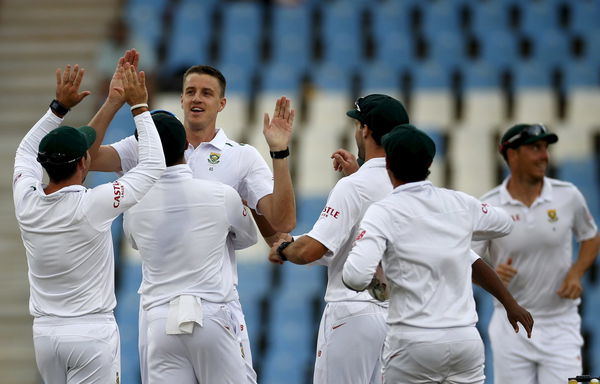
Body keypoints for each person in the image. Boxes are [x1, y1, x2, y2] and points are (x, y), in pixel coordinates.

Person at [89, 62, 296, 383]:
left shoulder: (241, 156)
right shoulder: (151, 144)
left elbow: (283, 220)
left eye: (207, 93)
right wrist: (114, 101)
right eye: (190, 92)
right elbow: (87, 158)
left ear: (222, 103)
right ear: (181, 100)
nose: (197, 98)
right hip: (169, 305)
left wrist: (279, 153)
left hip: (207, 300)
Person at [342, 124, 534, 384]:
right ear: (430, 163)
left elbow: (355, 277)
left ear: (388, 165)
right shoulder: (460, 203)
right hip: (464, 341)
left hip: (413, 342)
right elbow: (504, 223)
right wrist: (456, 231)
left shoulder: (383, 212)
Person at [12, 61, 165, 383]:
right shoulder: (92, 203)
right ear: (84, 162)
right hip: (90, 333)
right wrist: (139, 105)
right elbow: (153, 166)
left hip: (45, 335)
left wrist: (59, 109)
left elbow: (24, 152)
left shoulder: (26, 200)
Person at [269, 94, 409, 384]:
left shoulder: (353, 187)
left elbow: (310, 251)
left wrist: (284, 248)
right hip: (397, 318)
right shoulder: (407, 186)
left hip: (352, 312)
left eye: (358, 125)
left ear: (366, 130)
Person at [122, 110, 257, 383]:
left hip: (159, 321)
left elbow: (136, 243)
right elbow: (248, 238)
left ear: (142, 151)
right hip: (209, 314)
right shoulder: (221, 195)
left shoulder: (133, 205)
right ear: (185, 144)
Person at [471, 123, 600, 384]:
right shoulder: (489, 205)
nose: (544, 156)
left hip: (560, 323)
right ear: (512, 154)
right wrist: (493, 273)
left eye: (545, 148)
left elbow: (590, 236)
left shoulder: (568, 196)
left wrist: (576, 273)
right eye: (535, 148)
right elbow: (467, 259)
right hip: (512, 326)